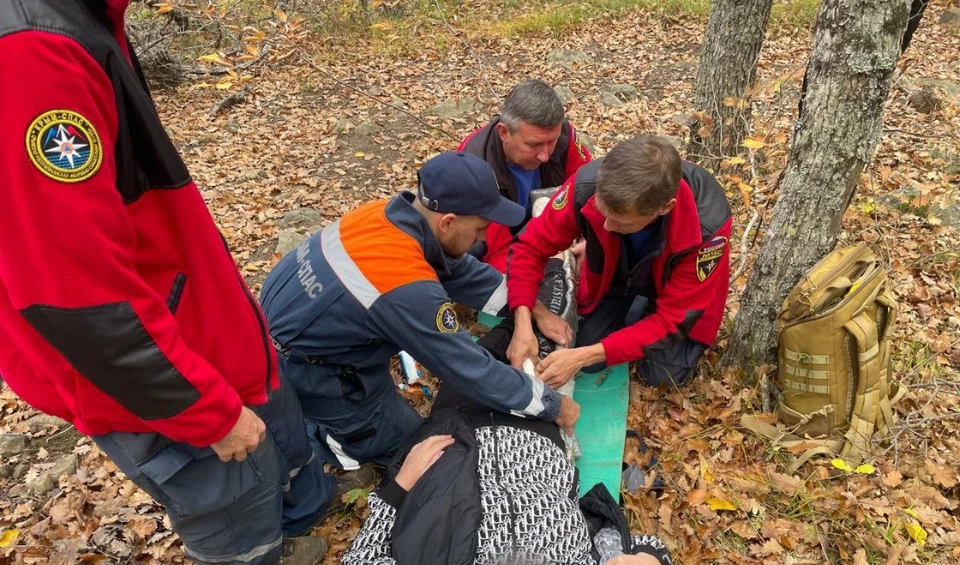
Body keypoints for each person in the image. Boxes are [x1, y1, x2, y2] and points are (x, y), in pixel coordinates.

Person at [0, 0, 336, 565]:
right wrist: (203, 413)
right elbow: (76, 296)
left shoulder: (86, 19)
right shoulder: (32, 49)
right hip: (154, 364)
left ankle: (301, 510)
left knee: (276, 429)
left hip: (198, 320)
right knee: (224, 488)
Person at [333, 325, 672, 565]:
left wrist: (398, 489)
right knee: (533, 330)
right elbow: (646, 551)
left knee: (479, 346)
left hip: (458, 420)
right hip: (539, 425)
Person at [259, 151, 579, 471]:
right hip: (310, 369)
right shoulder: (402, 282)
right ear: (449, 222)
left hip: (293, 323)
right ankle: (336, 450)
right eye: (480, 227)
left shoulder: (389, 216)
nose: (484, 237)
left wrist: (531, 308)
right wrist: (552, 406)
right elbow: (466, 366)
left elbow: (460, 271)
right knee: (414, 445)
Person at [507, 135, 733, 389]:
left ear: (665, 208)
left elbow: (674, 320)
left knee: (660, 377)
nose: (606, 226)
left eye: (620, 222)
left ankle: (642, 308)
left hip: (678, 289)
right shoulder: (587, 184)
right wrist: (523, 319)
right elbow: (530, 246)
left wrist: (583, 356)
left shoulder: (707, 227)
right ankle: (634, 307)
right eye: (602, 213)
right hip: (615, 270)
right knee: (589, 354)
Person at [459, 79, 592, 271]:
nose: (545, 156)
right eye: (533, 145)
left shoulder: (563, 134)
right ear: (504, 133)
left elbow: (588, 191)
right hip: (507, 247)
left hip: (551, 226)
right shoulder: (472, 168)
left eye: (551, 142)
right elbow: (497, 251)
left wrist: (589, 239)